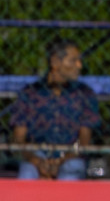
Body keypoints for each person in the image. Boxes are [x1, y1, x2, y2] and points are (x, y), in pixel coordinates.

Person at [10, 39, 99, 180]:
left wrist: (60, 161)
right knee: (27, 176)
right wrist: (36, 161)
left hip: (71, 155)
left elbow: (84, 142)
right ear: (55, 62)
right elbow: (19, 138)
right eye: (73, 60)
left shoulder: (84, 94)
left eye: (79, 60)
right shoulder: (31, 93)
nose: (79, 65)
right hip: (36, 153)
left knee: (69, 177)